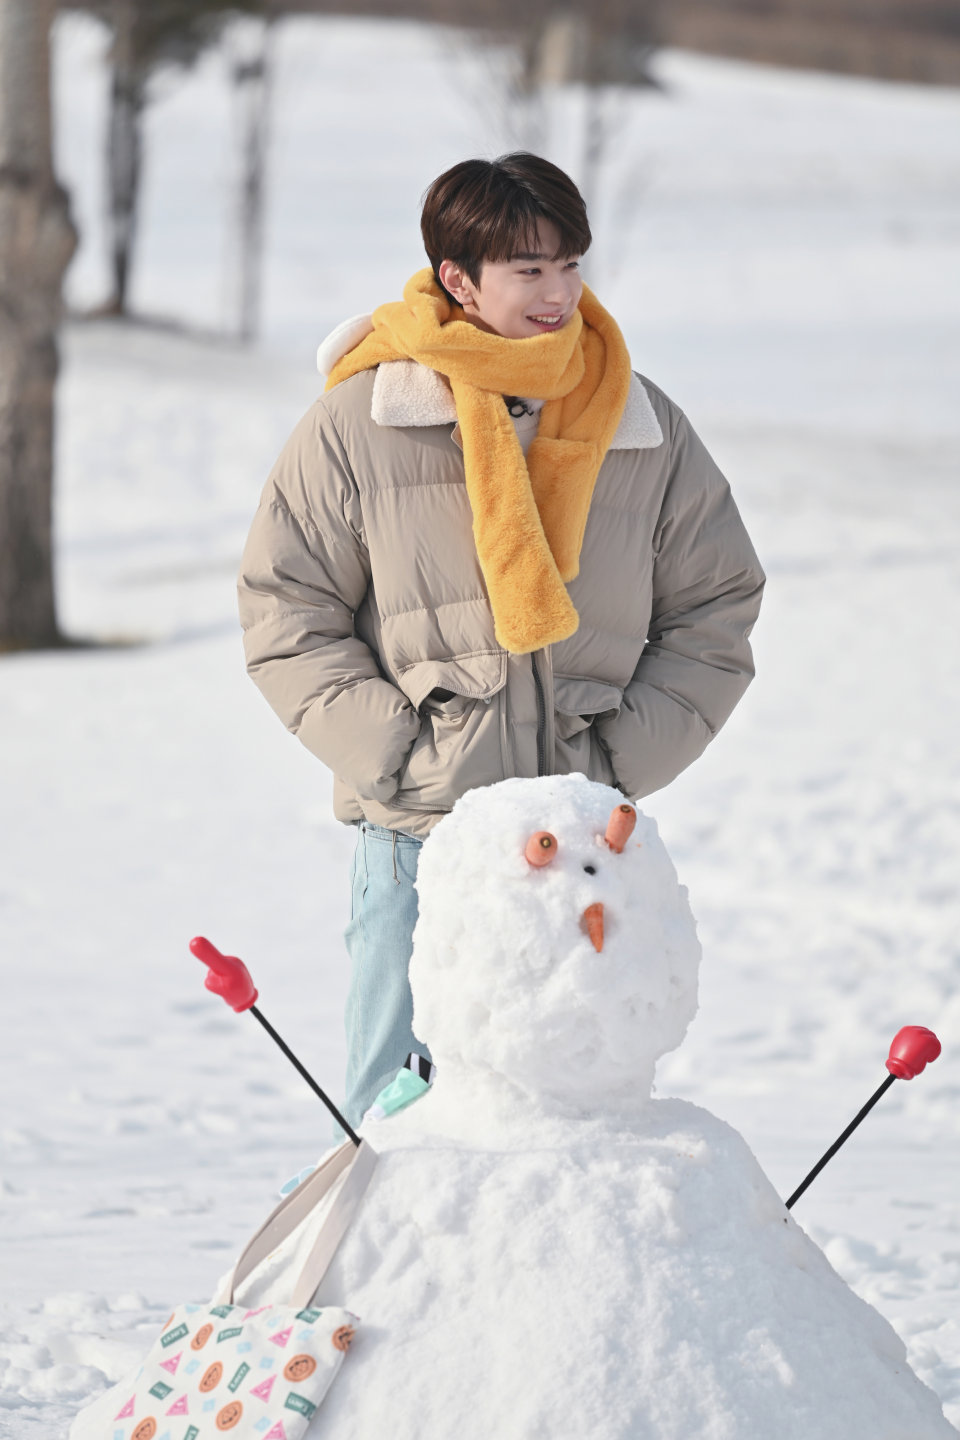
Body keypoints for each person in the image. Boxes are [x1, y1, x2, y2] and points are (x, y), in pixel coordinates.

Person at [237, 153, 765, 1129]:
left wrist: (615, 760)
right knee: (393, 1123)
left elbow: (718, 602)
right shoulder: (363, 422)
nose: (558, 292)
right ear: (458, 279)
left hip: (577, 840)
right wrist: (403, 757)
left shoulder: (640, 424)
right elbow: (286, 607)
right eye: (528, 268)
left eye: (570, 263)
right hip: (418, 833)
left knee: (566, 1115)